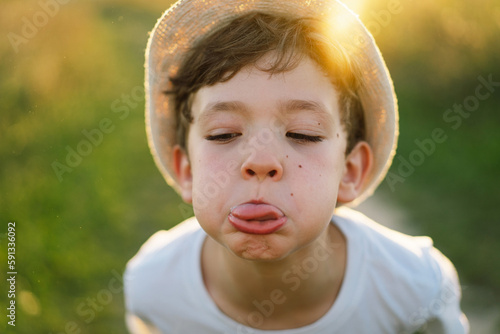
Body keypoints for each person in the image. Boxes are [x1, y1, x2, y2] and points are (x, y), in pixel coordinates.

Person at [124, 0, 469, 332]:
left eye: (302, 134)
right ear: (187, 171)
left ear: (349, 171)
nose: (260, 162)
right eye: (224, 133)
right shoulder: (153, 286)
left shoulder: (417, 288)